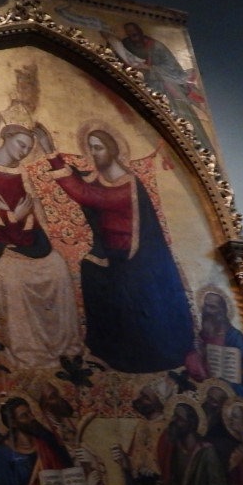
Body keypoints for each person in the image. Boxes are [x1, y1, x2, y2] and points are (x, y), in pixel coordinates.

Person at [44, 126, 194, 373]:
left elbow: (86, 194)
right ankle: (102, 350)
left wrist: (52, 155)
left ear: (112, 150)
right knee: (90, 270)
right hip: (110, 252)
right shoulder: (101, 178)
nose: (94, 153)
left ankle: (130, 354)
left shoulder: (127, 185)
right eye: (90, 148)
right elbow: (84, 182)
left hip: (135, 258)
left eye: (98, 148)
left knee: (117, 284)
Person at [0, 124, 82, 372]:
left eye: (28, 149)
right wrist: (9, 215)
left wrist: (19, 218)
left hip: (24, 241)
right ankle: (26, 351)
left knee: (59, 268)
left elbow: (32, 210)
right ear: (6, 137)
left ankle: (65, 347)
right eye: (21, 144)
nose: (23, 152)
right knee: (12, 279)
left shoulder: (21, 172)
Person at [104, 22, 213, 152]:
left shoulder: (156, 47)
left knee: (183, 117)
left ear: (141, 33)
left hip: (168, 88)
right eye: (130, 35)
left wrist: (151, 68)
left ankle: (201, 148)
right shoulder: (126, 44)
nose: (134, 39)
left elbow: (174, 69)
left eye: (135, 35)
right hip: (146, 90)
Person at [185, 288, 243, 400]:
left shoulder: (235, 337)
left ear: (222, 311)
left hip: (231, 392)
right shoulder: (199, 338)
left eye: (212, 307)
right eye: (206, 306)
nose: (207, 311)